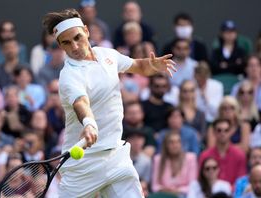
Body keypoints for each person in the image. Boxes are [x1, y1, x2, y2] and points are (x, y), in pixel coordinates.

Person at [42, 8, 176, 197]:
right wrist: (89, 124)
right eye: (66, 42)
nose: (74, 46)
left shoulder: (107, 55)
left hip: (115, 157)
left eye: (78, 38)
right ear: (60, 45)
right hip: (83, 166)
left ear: (87, 31)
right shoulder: (69, 76)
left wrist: (152, 65)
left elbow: (137, 65)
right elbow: (81, 103)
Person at [199, 118, 247, 185]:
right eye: (219, 130)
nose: (222, 133)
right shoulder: (205, 155)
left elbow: (241, 181)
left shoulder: (239, 155)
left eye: (226, 130)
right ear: (214, 132)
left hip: (234, 194)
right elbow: (201, 180)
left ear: (230, 132)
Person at [151, 132, 197, 197]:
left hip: (184, 195)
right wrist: (165, 190)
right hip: (164, 195)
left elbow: (193, 186)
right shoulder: (158, 159)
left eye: (178, 142)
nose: (175, 145)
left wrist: (177, 191)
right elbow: (155, 186)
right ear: (166, 145)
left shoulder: (191, 158)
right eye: (171, 142)